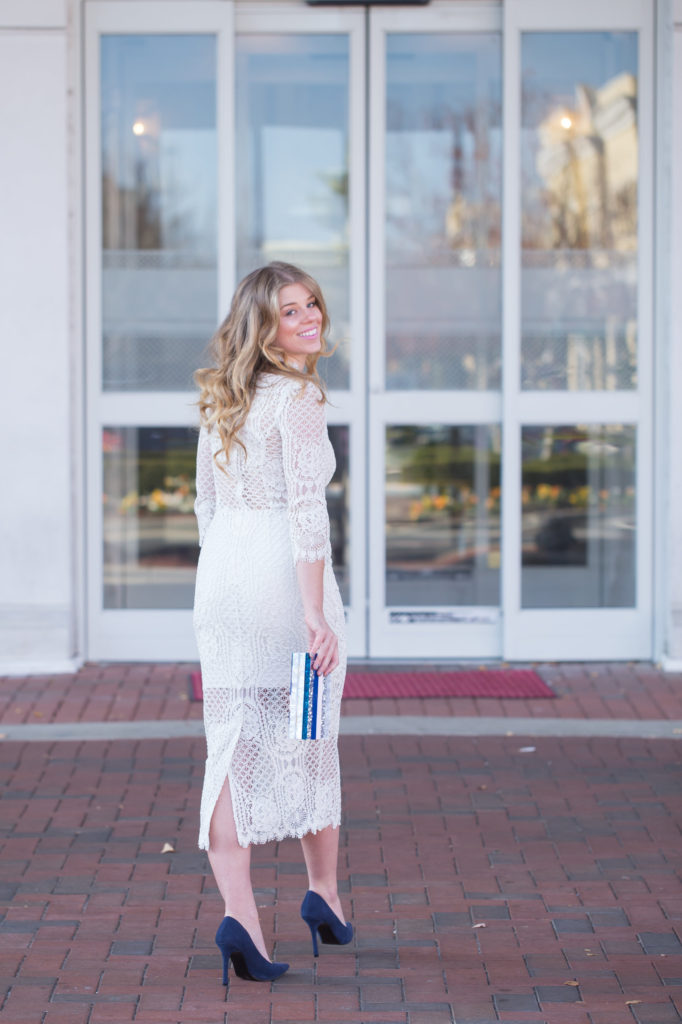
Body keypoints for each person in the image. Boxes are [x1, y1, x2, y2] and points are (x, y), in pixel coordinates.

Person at [192, 261, 352, 989]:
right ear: (265, 326)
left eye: (311, 304)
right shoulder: (299, 397)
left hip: (223, 578)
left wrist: (223, 573)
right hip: (285, 585)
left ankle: (241, 917)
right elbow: (304, 511)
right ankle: (324, 894)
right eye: (290, 312)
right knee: (310, 731)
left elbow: (205, 505)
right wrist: (314, 612)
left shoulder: (222, 396)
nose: (309, 318)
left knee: (228, 743)